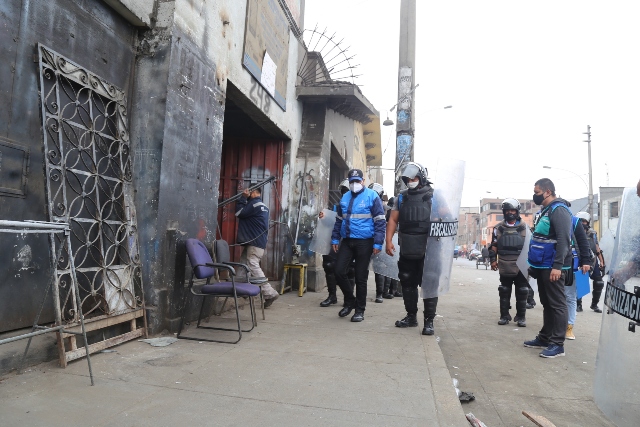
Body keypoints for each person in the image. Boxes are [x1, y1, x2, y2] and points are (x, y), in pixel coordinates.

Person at [523, 178, 573, 358]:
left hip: (553, 266)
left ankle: (557, 344)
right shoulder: (546, 210)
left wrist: (557, 266)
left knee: (558, 304)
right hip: (542, 265)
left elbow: (564, 240)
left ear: (548, 192)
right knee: (547, 303)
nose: (535, 195)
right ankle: (545, 338)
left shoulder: (559, 210)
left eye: (537, 192)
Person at [386, 162, 438, 335]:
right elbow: (393, 220)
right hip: (407, 246)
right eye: (407, 179)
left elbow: (447, 218)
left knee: (429, 284)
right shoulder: (401, 198)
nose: (410, 181)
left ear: (422, 177)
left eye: (413, 178)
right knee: (407, 282)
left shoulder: (434, 196)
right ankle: (411, 317)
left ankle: (429, 321)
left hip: (429, 249)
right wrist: (388, 241)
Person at [331, 169, 386, 322]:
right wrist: (335, 239)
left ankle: (359, 310)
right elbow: (339, 220)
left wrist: (378, 242)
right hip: (347, 240)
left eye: (357, 181)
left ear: (363, 181)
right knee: (338, 271)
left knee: (361, 278)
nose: (355, 184)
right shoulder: (345, 197)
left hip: (365, 242)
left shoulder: (372, 196)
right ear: (349, 182)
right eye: (352, 181)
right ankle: (350, 300)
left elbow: (380, 221)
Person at [488, 198, 529, 327]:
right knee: (504, 290)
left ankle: (521, 317)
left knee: (522, 291)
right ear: (504, 212)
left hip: (521, 264)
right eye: (507, 210)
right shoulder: (498, 228)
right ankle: (504, 316)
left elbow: (530, 246)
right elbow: (494, 245)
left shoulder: (526, 227)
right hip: (504, 263)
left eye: (513, 210)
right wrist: (493, 260)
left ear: (517, 211)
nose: (510, 213)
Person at [235, 186, 280, 307]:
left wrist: (243, 198)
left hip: (254, 242)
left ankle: (269, 293)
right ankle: (240, 288)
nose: (247, 193)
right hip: (257, 242)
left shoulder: (253, 204)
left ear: (254, 192)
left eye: (249, 192)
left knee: (252, 264)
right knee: (244, 263)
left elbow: (238, 213)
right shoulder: (263, 206)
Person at [319, 179, 355, 307]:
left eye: (347, 191)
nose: (345, 194)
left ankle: (348, 299)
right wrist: (323, 217)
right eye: (343, 191)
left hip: (351, 240)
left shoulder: (360, 206)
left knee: (351, 269)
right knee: (329, 265)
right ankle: (332, 296)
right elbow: (329, 223)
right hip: (336, 240)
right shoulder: (336, 206)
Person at [564, 211, 592, 340]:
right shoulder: (548, 218)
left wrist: (586, 261)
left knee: (570, 296)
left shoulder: (574, 221)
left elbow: (583, 243)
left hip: (572, 265)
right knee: (553, 297)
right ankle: (553, 326)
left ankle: (569, 326)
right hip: (552, 264)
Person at [574, 211, 606, 313]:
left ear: (588, 222)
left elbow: (596, 247)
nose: (583, 223)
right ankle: (578, 304)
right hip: (580, 260)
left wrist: (602, 261)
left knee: (599, 282)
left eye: (584, 221)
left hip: (593, 260)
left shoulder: (592, 234)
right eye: (581, 221)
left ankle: (594, 305)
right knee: (580, 282)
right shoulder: (574, 232)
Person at [369, 182, 389, 303]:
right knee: (363, 268)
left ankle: (380, 293)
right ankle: (379, 294)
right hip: (367, 238)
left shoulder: (384, 207)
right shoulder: (365, 202)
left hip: (378, 238)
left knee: (379, 267)